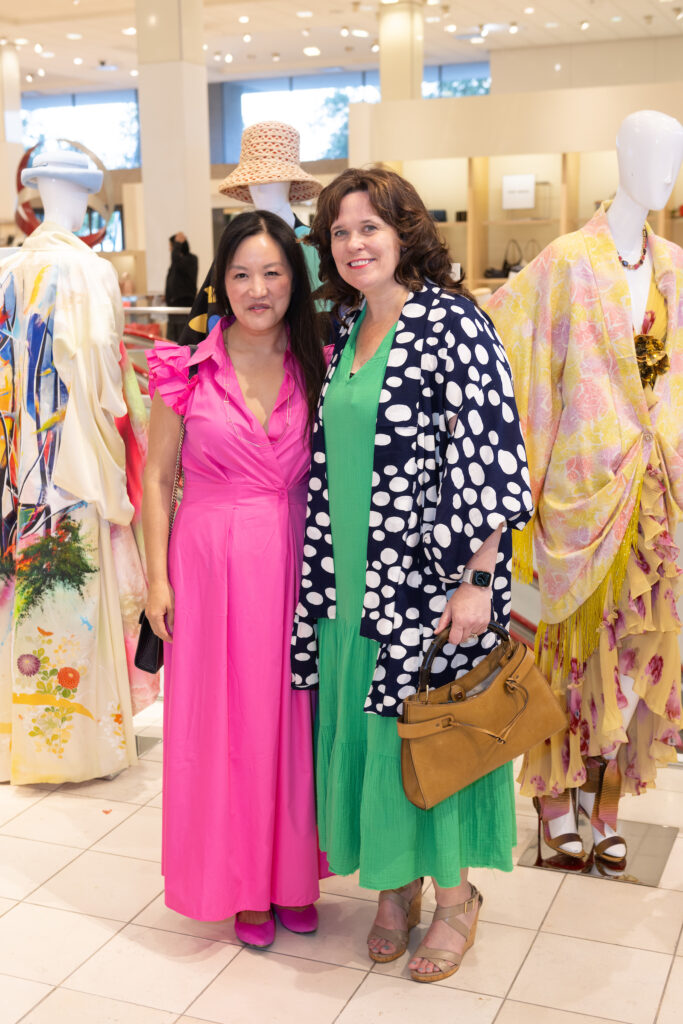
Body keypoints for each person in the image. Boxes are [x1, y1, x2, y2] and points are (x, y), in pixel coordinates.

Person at [291, 167, 533, 982]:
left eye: (369, 226)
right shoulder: (345, 327)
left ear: (402, 231)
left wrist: (478, 577)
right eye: (339, 232)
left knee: (431, 736)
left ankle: (456, 898)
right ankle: (393, 887)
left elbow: (493, 455)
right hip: (347, 580)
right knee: (372, 737)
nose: (354, 244)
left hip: (430, 583)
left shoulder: (454, 322)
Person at [486, 110, 683, 870]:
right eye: (651, 154)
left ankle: (602, 800)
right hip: (579, 486)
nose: (664, 171)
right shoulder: (566, 261)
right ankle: (548, 793)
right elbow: (518, 348)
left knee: (633, 657)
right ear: (620, 158)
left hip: (657, 492)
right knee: (569, 656)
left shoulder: (673, 265)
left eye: (674, 157)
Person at [143, 210, 326, 945]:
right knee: (223, 726)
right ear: (219, 280)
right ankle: (242, 879)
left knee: (292, 719)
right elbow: (156, 480)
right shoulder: (183, 366)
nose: (257, 288)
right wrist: (155, 581)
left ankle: (291, 874)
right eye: (242, 273)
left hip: (295, 555)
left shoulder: (320, 360)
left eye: (273, 273)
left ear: (295, 280)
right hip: (210, 560)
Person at [179, 121, 326, 348]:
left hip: (308, 369)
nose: (260, 187)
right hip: (242, 369)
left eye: (272, 179)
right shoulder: (235, 243)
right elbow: (210, 319)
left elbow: (329, 320)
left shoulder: (317, 245)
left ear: (290, 182)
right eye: (254, 180)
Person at [164, 232, 198, 342]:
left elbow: (176, 259)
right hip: (173, 310)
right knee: (172, 342)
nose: (170, 249)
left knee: (182, 342)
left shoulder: (191, 259)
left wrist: (178, 243)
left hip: (183, 309)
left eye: (171, 246)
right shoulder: (176, 264)